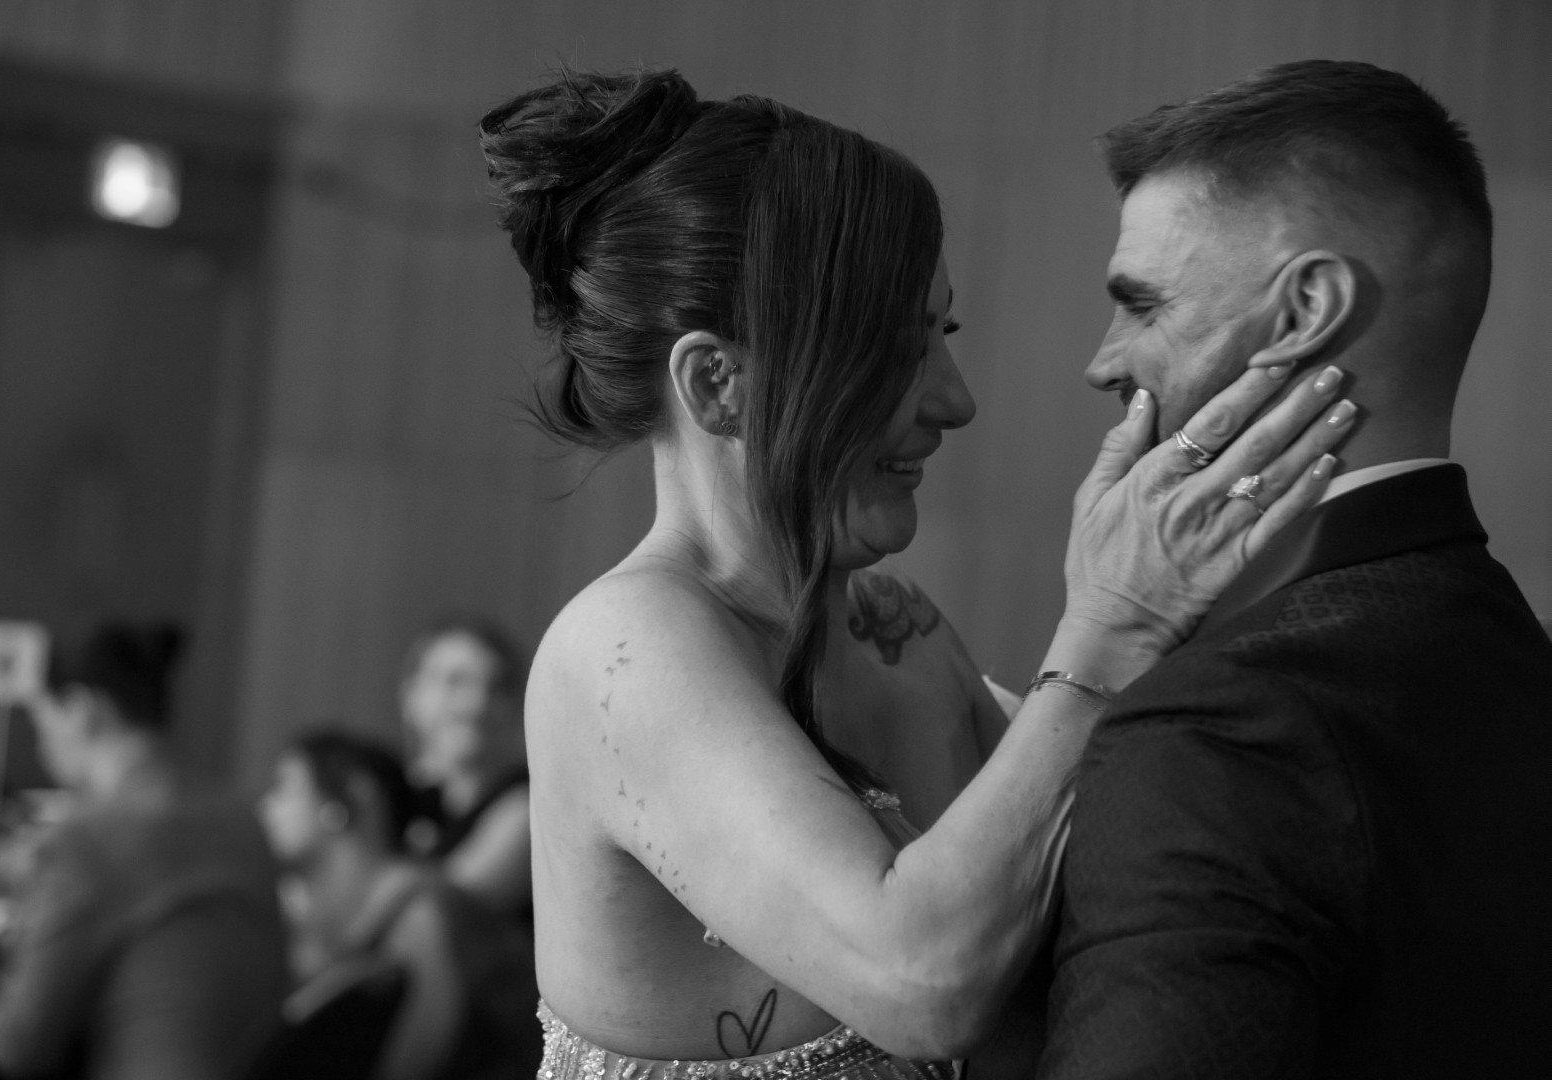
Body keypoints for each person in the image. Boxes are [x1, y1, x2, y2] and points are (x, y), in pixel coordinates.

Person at [479, 68, 1355, 1078]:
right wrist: (1113, 625)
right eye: (896, 349)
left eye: (943, 335)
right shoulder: (623, 652)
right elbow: (925, 983)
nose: (955, 400)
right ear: (719, 383)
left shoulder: (898, 638)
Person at [1037, 60, 1552, 1077]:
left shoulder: (1222, 732)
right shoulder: (1520, 664)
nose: (1103, 362)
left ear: (1306, 308)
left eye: (1142, 305)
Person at [0, 621, 287, 1080]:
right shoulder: (240, 818)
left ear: (82, 710)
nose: (41, 748)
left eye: (41, 721)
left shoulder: (90, 838)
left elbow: (16, 1043)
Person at [259, 728, 540, 1080]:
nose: (265, 807)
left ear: (355, 792)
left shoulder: (421, 910)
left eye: (283, 787)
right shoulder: (314, 926)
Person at [397, 616, 532, 916]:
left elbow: (443, 913)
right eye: (455, 682)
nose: (476, 703)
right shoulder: (383, 796)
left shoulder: (528, 808)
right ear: (411, 695)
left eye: (496, 687)